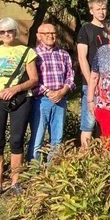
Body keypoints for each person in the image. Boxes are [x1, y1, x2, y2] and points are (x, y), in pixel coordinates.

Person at [0, 17, 39, 198]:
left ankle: (15, 182)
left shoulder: (26, 52)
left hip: (20, 99)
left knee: (16, 140)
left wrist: (16, 88)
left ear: (15, 32)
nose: (7, 35)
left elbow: (34, 79)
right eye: (2, 32)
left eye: (10, 31)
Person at [26, 23, 75, 162]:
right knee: (37, 136)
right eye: (46, 33)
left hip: (61, 99)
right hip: (41, 100)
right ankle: (34, 168)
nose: (50, 36)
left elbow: (70, 75)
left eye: (53, 33)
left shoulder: (63, 54)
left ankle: (52, 168)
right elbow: (31, 79)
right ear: (38, 36)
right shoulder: (33, 54)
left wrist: (64, 90)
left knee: (57, 137)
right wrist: (47, 92)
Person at [76, 0, 108, 149]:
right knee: (89, 123)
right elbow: (82, 58)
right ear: (91, 11)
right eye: (98, 9)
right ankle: (85, 157)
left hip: (109, 85)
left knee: (106, 124)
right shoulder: (86, 29)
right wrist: (91, 84)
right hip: (91, 84)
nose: (101, 12)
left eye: (103, 9)